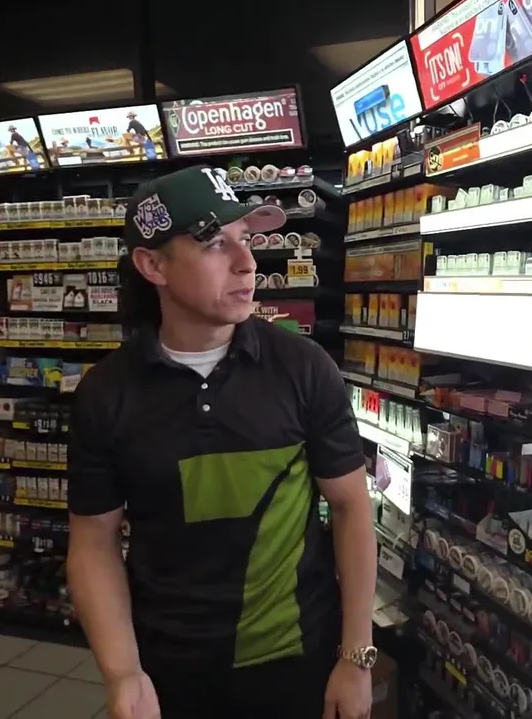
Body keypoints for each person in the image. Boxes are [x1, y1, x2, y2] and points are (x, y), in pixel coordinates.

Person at [66, 166, 378, 719]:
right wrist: (123, 672)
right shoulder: (105, 394)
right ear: (153, 265)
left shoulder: (304, 369)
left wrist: (356, 658)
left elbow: (353, 508)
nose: (246, 263)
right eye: (214, 243)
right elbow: (93, 542)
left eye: (245, 239)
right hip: (169, 670)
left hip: (298, 659)